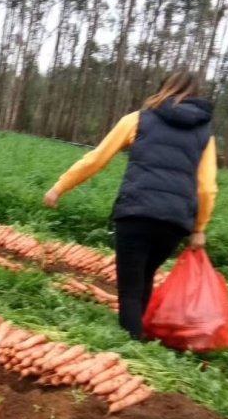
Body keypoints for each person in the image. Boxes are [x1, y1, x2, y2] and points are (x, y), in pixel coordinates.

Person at [43, 69, 218, 340]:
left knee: (130, 287)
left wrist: (60, 187)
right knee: (145, 275)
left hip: (137, 212)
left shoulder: (138, 120)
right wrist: (199, 228)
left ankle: (131, 346)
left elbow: (97, 159)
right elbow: (207, 187)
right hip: (174, 221)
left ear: (164, 87)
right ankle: (140, 337)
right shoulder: (204, 134)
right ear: (196, 95)